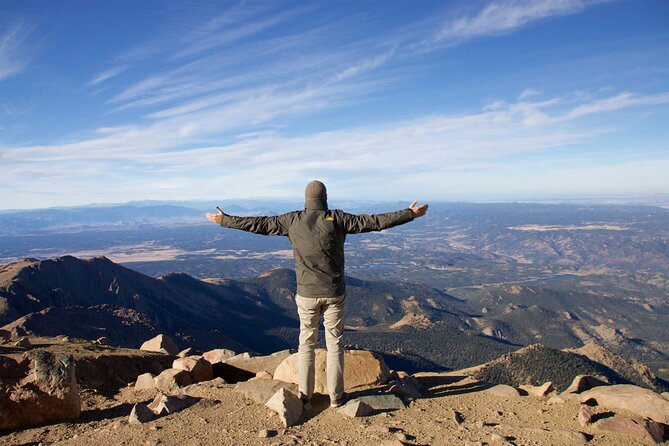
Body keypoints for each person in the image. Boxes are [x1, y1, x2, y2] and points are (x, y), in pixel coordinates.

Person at [206, 180, 428, 408]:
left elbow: (258, 224)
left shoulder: (291, 220)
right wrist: (408, 214)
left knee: (307, 344)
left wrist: (225, 220)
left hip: (306, 295)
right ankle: (336, 397)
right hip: (334, 293)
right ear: (325, 197)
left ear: (306, 199)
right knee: (335, 345)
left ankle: (305, 397)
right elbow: (374, 222)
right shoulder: (339, 219)